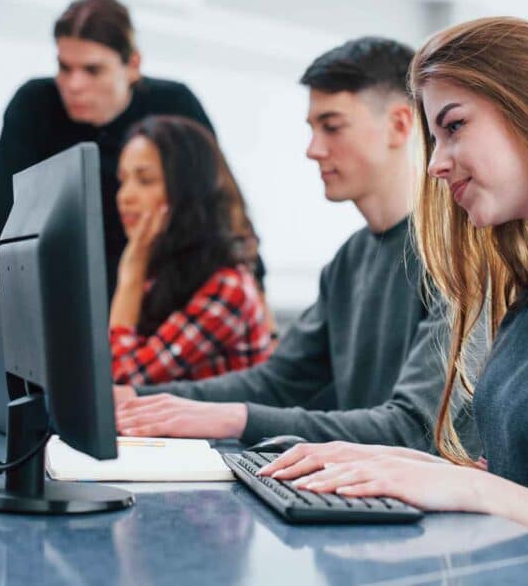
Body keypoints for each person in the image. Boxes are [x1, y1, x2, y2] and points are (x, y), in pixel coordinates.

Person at [256, 17, 528, 553]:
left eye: (453, 127)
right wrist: (395, 464)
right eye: (434, 137)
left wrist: (474, 488)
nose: (434, 164)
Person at [113, 37, 475, 452]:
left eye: (332, 127)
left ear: (399, 125)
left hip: (431, 510)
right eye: (313, 129)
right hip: (364, 491)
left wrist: (234, 417)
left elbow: (412, 429)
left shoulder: (457, 255)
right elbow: (278, 382)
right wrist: (140, 401)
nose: (313, 149)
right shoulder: (349, 261)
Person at [0, 0, 261, 388]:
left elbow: (223, 206)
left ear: (132, 66)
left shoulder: (174, 106)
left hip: (157, 297)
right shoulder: (36, 105)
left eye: (92, 70)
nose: (74, 85)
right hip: (73, 306)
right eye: (64, 68)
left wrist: (257, 306)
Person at [110, 115, 273, 384]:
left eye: (145, 180)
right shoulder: (164, 273)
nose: (124, 196)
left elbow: (124, 381)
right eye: (123, 180)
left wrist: (131, 273)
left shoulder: (227, 287)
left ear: (186, 190)